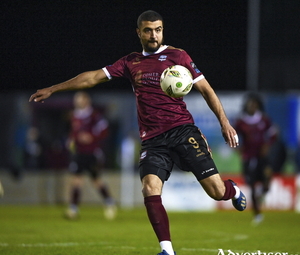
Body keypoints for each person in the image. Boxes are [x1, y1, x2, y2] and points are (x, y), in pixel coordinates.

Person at [29, 10, 246, 255]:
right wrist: (54, 88)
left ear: (163, 30)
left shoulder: (179, 56)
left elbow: (206, 89)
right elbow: (92, 78)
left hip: (183, 132)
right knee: (149, 188)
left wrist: (224, 122)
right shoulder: (130, 62)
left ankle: (233, 189)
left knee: (216, 192)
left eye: (158, 30)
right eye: (148, 30)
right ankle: (167, 250)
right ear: (139, 32)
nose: (154, 35)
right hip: (152, 140)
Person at [65, 91, 117, 220]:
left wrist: (92, 137)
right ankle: (73, 209)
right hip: (79, 152)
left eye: (79, 99)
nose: (76, 102)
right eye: (76, 99)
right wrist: (71, 139)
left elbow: (104, 130)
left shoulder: (94, 115)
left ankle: (110, 202)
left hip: (92, 152)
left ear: (86, 101)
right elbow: (74, 133)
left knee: (96, 181)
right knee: (76, 181)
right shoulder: (74, 116)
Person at [235, 93, 277, 225]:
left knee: (267, 177)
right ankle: (257, 213)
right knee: (252, 185)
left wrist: (267, 145)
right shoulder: (241, 122)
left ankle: (263, 191)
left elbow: (273, 134)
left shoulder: (264, 120)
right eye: (249, 105)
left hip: (262, 156)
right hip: (249, 157)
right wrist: (238, 147)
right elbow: (233, 136)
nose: (252, 107)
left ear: (258, 106)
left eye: (254, 105)